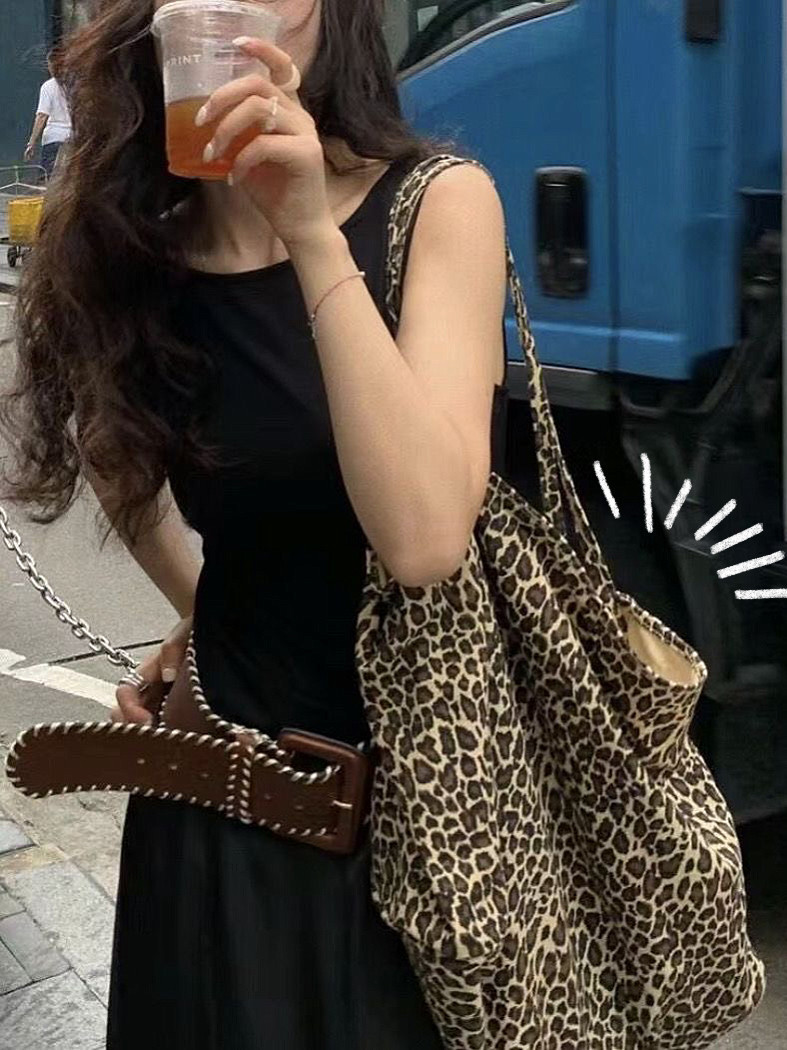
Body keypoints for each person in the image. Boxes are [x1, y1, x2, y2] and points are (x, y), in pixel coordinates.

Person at [0, 1, 509, 1047]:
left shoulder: (436, 203)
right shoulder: (136, 236)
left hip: (423, 826)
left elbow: (424, 540)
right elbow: (117, 460)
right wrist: (209, 608)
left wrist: (308, 231)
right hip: (217, 802)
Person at [24, 49, 72, 178]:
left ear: (50, 66)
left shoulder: (48, 87)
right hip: (73, 137)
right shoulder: (75, 86)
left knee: (48, 178)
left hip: (53, 138)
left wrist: (31, 143)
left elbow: (42, 116)